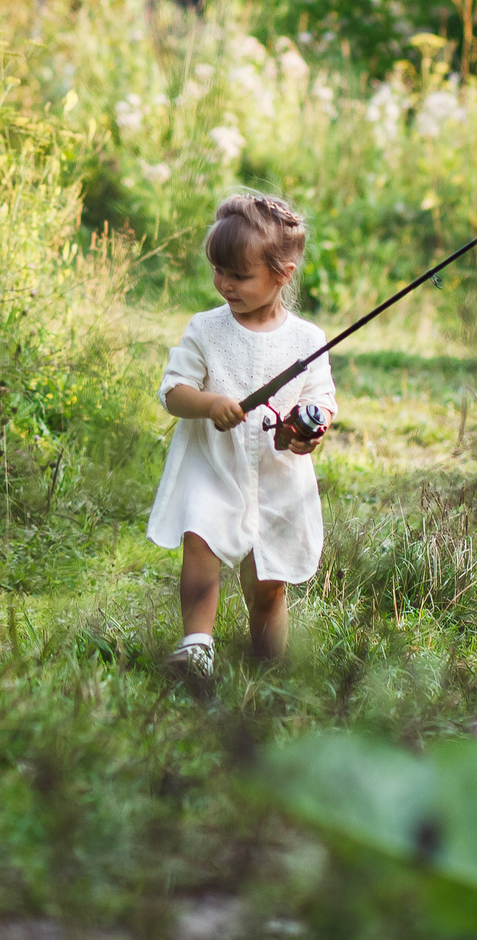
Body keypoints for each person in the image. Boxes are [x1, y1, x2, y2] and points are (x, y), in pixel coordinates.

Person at [146, 193, 337, 692]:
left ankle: (268, 669)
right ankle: (196, 649)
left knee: (269, 581)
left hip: (277, 477)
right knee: (200, 547)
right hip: (214, 465)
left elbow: (322, 397)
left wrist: (310, 429)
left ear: (283, 274)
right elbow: (174, 391)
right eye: (219, 271)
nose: (225, 284)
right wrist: (209, 404)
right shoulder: (206, 329)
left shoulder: (306, 338)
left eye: (240, 275)